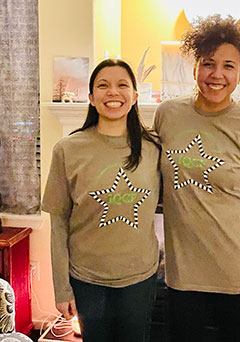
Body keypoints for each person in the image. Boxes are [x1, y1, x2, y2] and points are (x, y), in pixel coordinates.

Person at [153, 14, 240, 341]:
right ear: (196, 67)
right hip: (184, 273)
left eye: (228, 66)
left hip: (239, 272)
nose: (217, 74)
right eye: (209, 63)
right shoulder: (168, 114)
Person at [42, 59, 161, 342]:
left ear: (134, 96)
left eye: (122, 85)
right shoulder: (68, 150)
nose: (113, 93)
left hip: (139, 279)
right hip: (86, 280)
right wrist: (62, 288)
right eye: (103, 85)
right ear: (91, 97)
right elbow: (58, 223)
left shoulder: (154, 149)